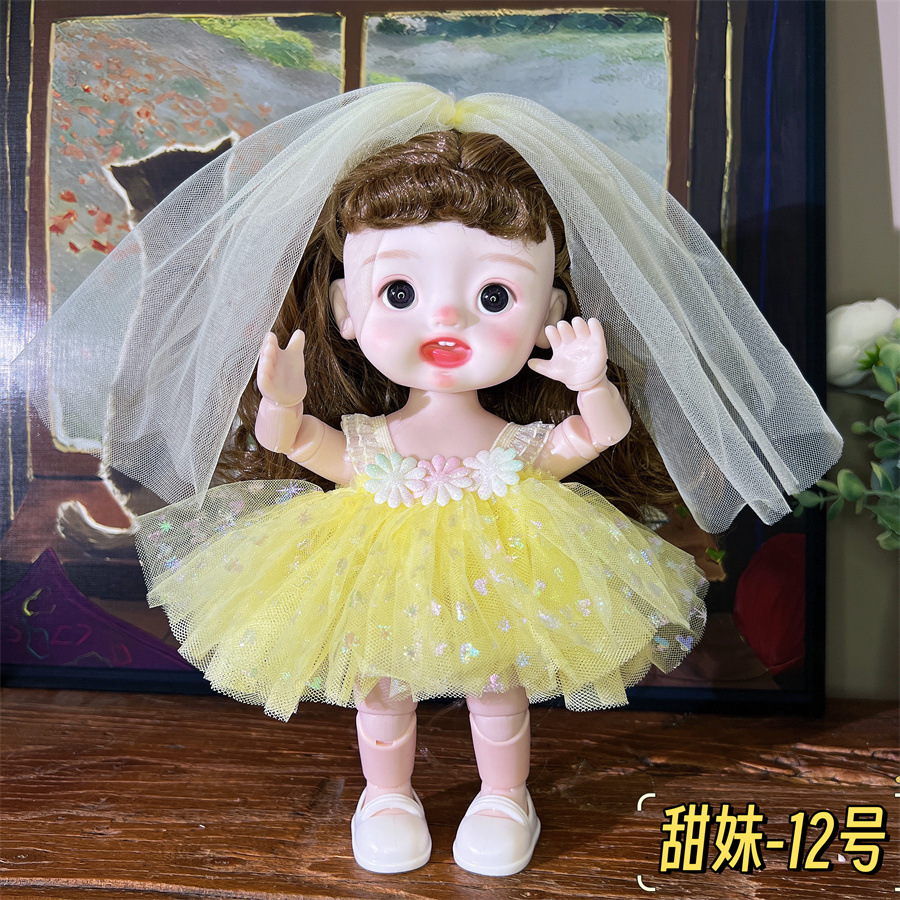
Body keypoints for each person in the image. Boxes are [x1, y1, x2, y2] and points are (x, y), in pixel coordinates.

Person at [17, 84, 841, 877]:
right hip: (376, 572)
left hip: (508, 568)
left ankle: (504, 797)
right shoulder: (370, 441)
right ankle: (387, 796)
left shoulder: (517, 447)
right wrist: (281, 402)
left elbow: (599, 434)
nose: (446, 318)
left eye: (495, 294)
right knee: (381, 689)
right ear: (347, 310)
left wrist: (590, 381)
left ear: (550, 311)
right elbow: (296, 442)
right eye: (401, 291)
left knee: (499, 686)